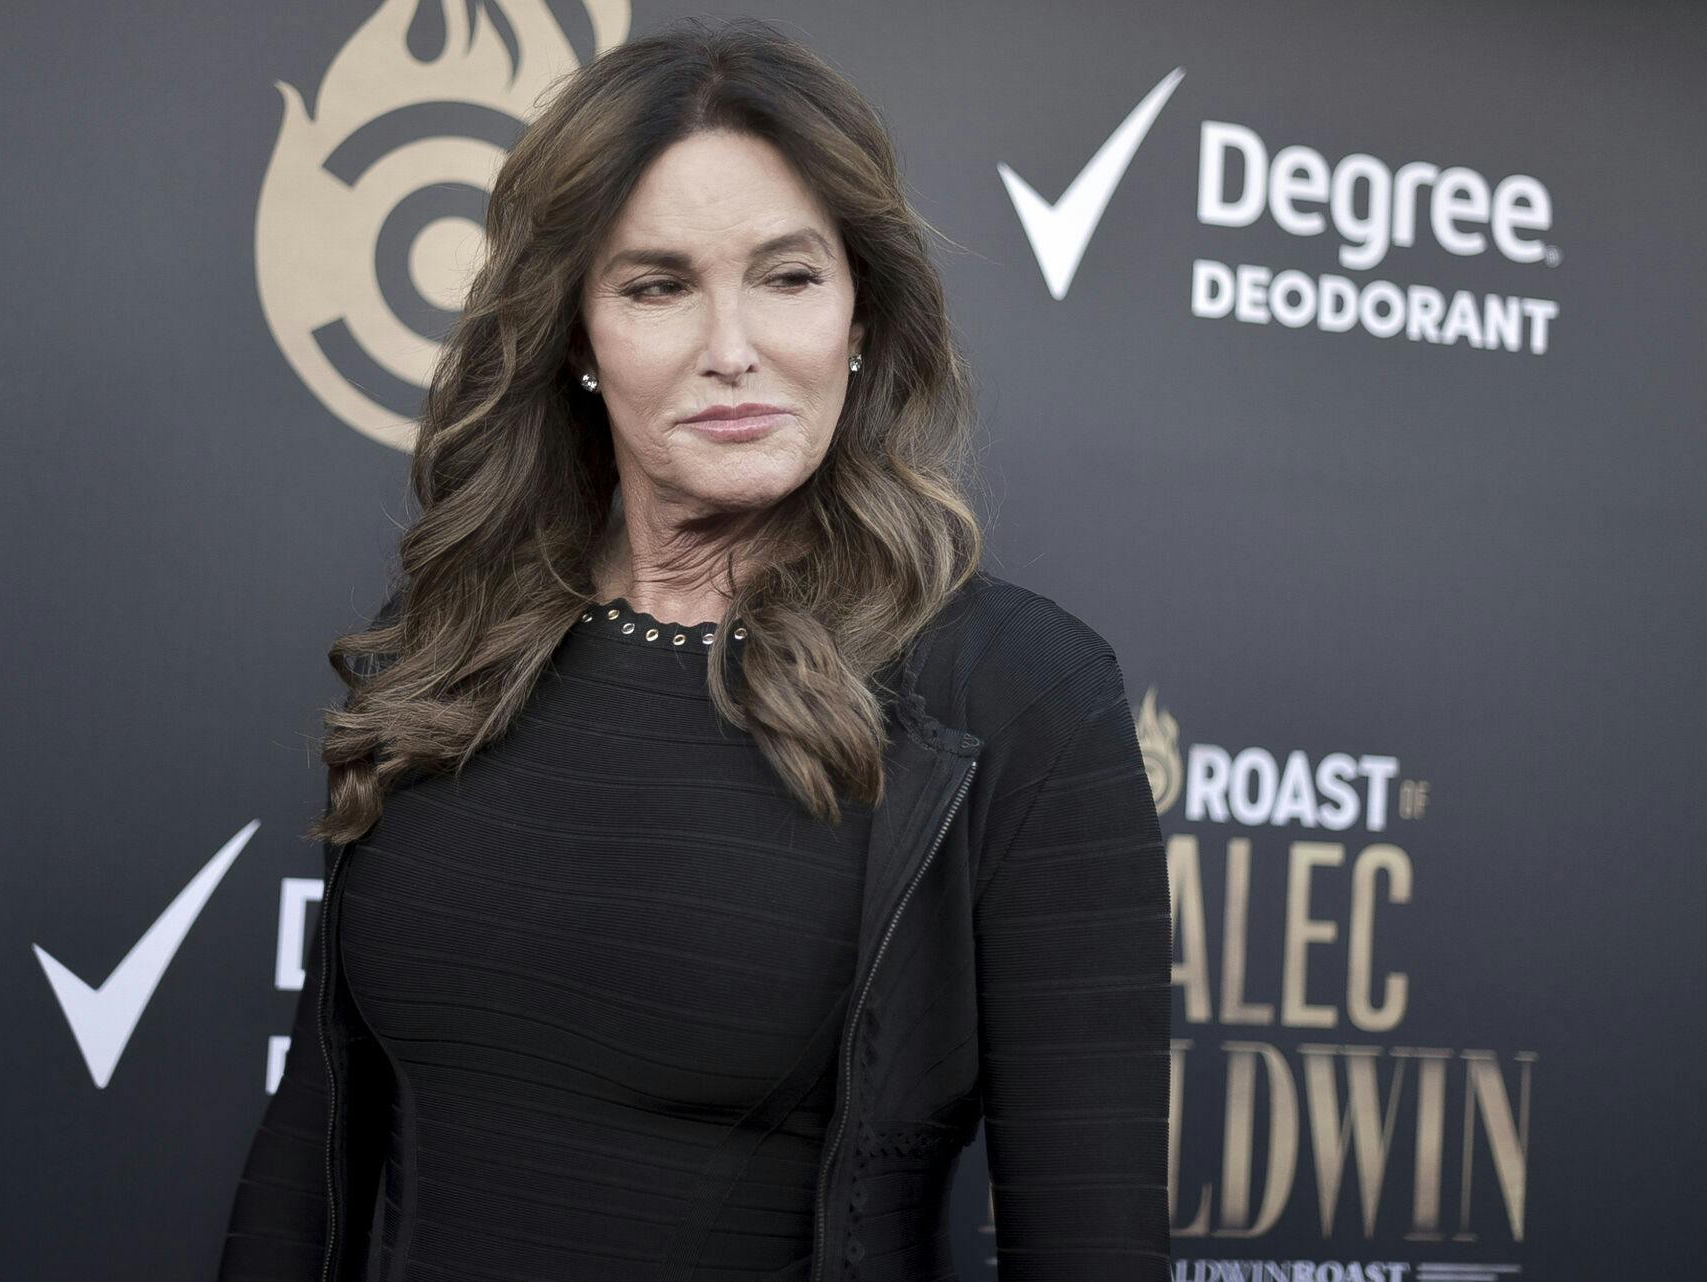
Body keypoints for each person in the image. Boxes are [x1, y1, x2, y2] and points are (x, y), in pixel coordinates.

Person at [219, 17, 1168, 1282]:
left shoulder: (1019, 697)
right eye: (657, 285)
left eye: (787, 277)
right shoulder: (454, 649)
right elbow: (307, 1159)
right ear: (575, 338)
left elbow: (1091, 1244)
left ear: (863, 316)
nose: (734, 349)